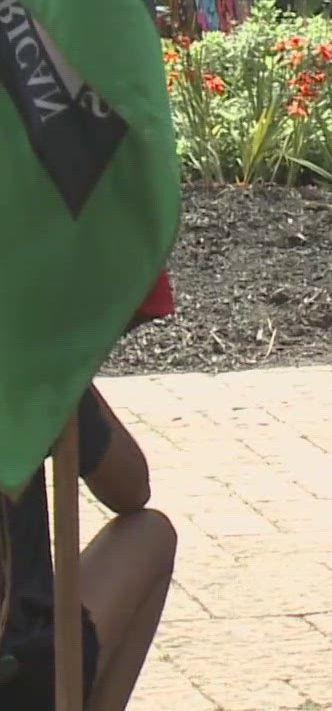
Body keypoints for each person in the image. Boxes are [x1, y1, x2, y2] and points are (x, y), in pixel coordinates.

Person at [0, 279, 177, 711]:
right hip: (20, 668)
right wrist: (67, 370)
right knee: (149, 535)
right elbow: (130, 487)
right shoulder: (23, 354)